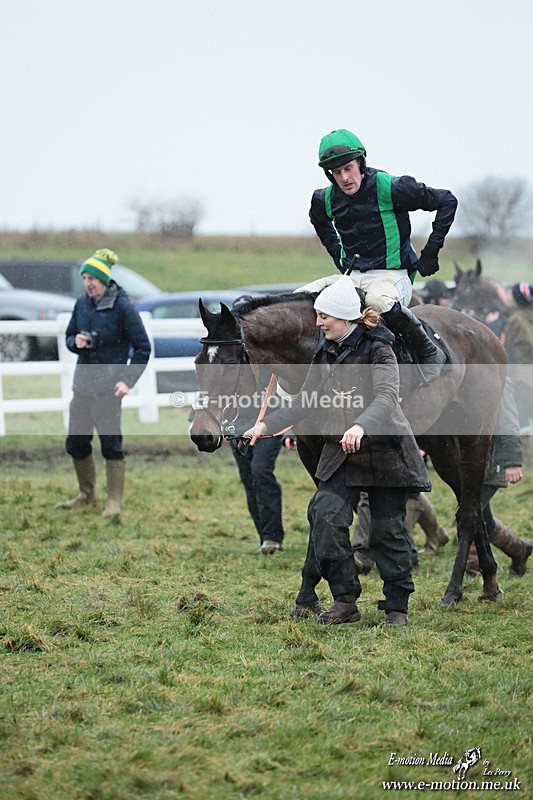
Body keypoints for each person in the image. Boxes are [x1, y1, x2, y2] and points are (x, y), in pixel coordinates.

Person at [243, 275, 431, 626]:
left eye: (323, 317)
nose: (317, 323)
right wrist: (266, 425)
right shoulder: (325, 352)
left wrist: (360, 425)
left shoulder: (379, 349)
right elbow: (305, 402)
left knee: (387, 532)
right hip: (341, 453)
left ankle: (396, 607)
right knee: (325, 518)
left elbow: (387, 398)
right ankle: (345, 600)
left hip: (385, 450)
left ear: (344, 317)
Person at [303, 128, 458, 384]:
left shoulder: (392, 187)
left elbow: (447, 201)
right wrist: (338, 257)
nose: (344, 178)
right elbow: (319, 223)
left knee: (378, 300)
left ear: (361, 162)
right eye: (337, 172)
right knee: (303, 298)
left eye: (348, 168)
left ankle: (430, 351)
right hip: (352, 278)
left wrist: (431, 251)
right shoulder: (325, 198)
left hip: (393, 277)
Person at [57, 248, 151, 517]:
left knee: (111, 445)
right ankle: (87, 495)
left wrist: (127, 380)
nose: (88, 283)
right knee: (76, 443)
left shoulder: (122, 306)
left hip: (109, 389)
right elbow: (69, 336)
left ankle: (114, 502)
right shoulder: (81, 304)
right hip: (82, 387)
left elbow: (143, 348)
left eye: (92, 278)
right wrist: (74, 342)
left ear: (104, 279)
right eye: (85, 278)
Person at [466, 378, 532, 577]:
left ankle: (472, 565)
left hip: (493, 458)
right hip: (474, 460)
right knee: (481, 514)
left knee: (470, 513)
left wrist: (512, 461)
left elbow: (508, 420)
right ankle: (519, 549)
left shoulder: (498, 376)